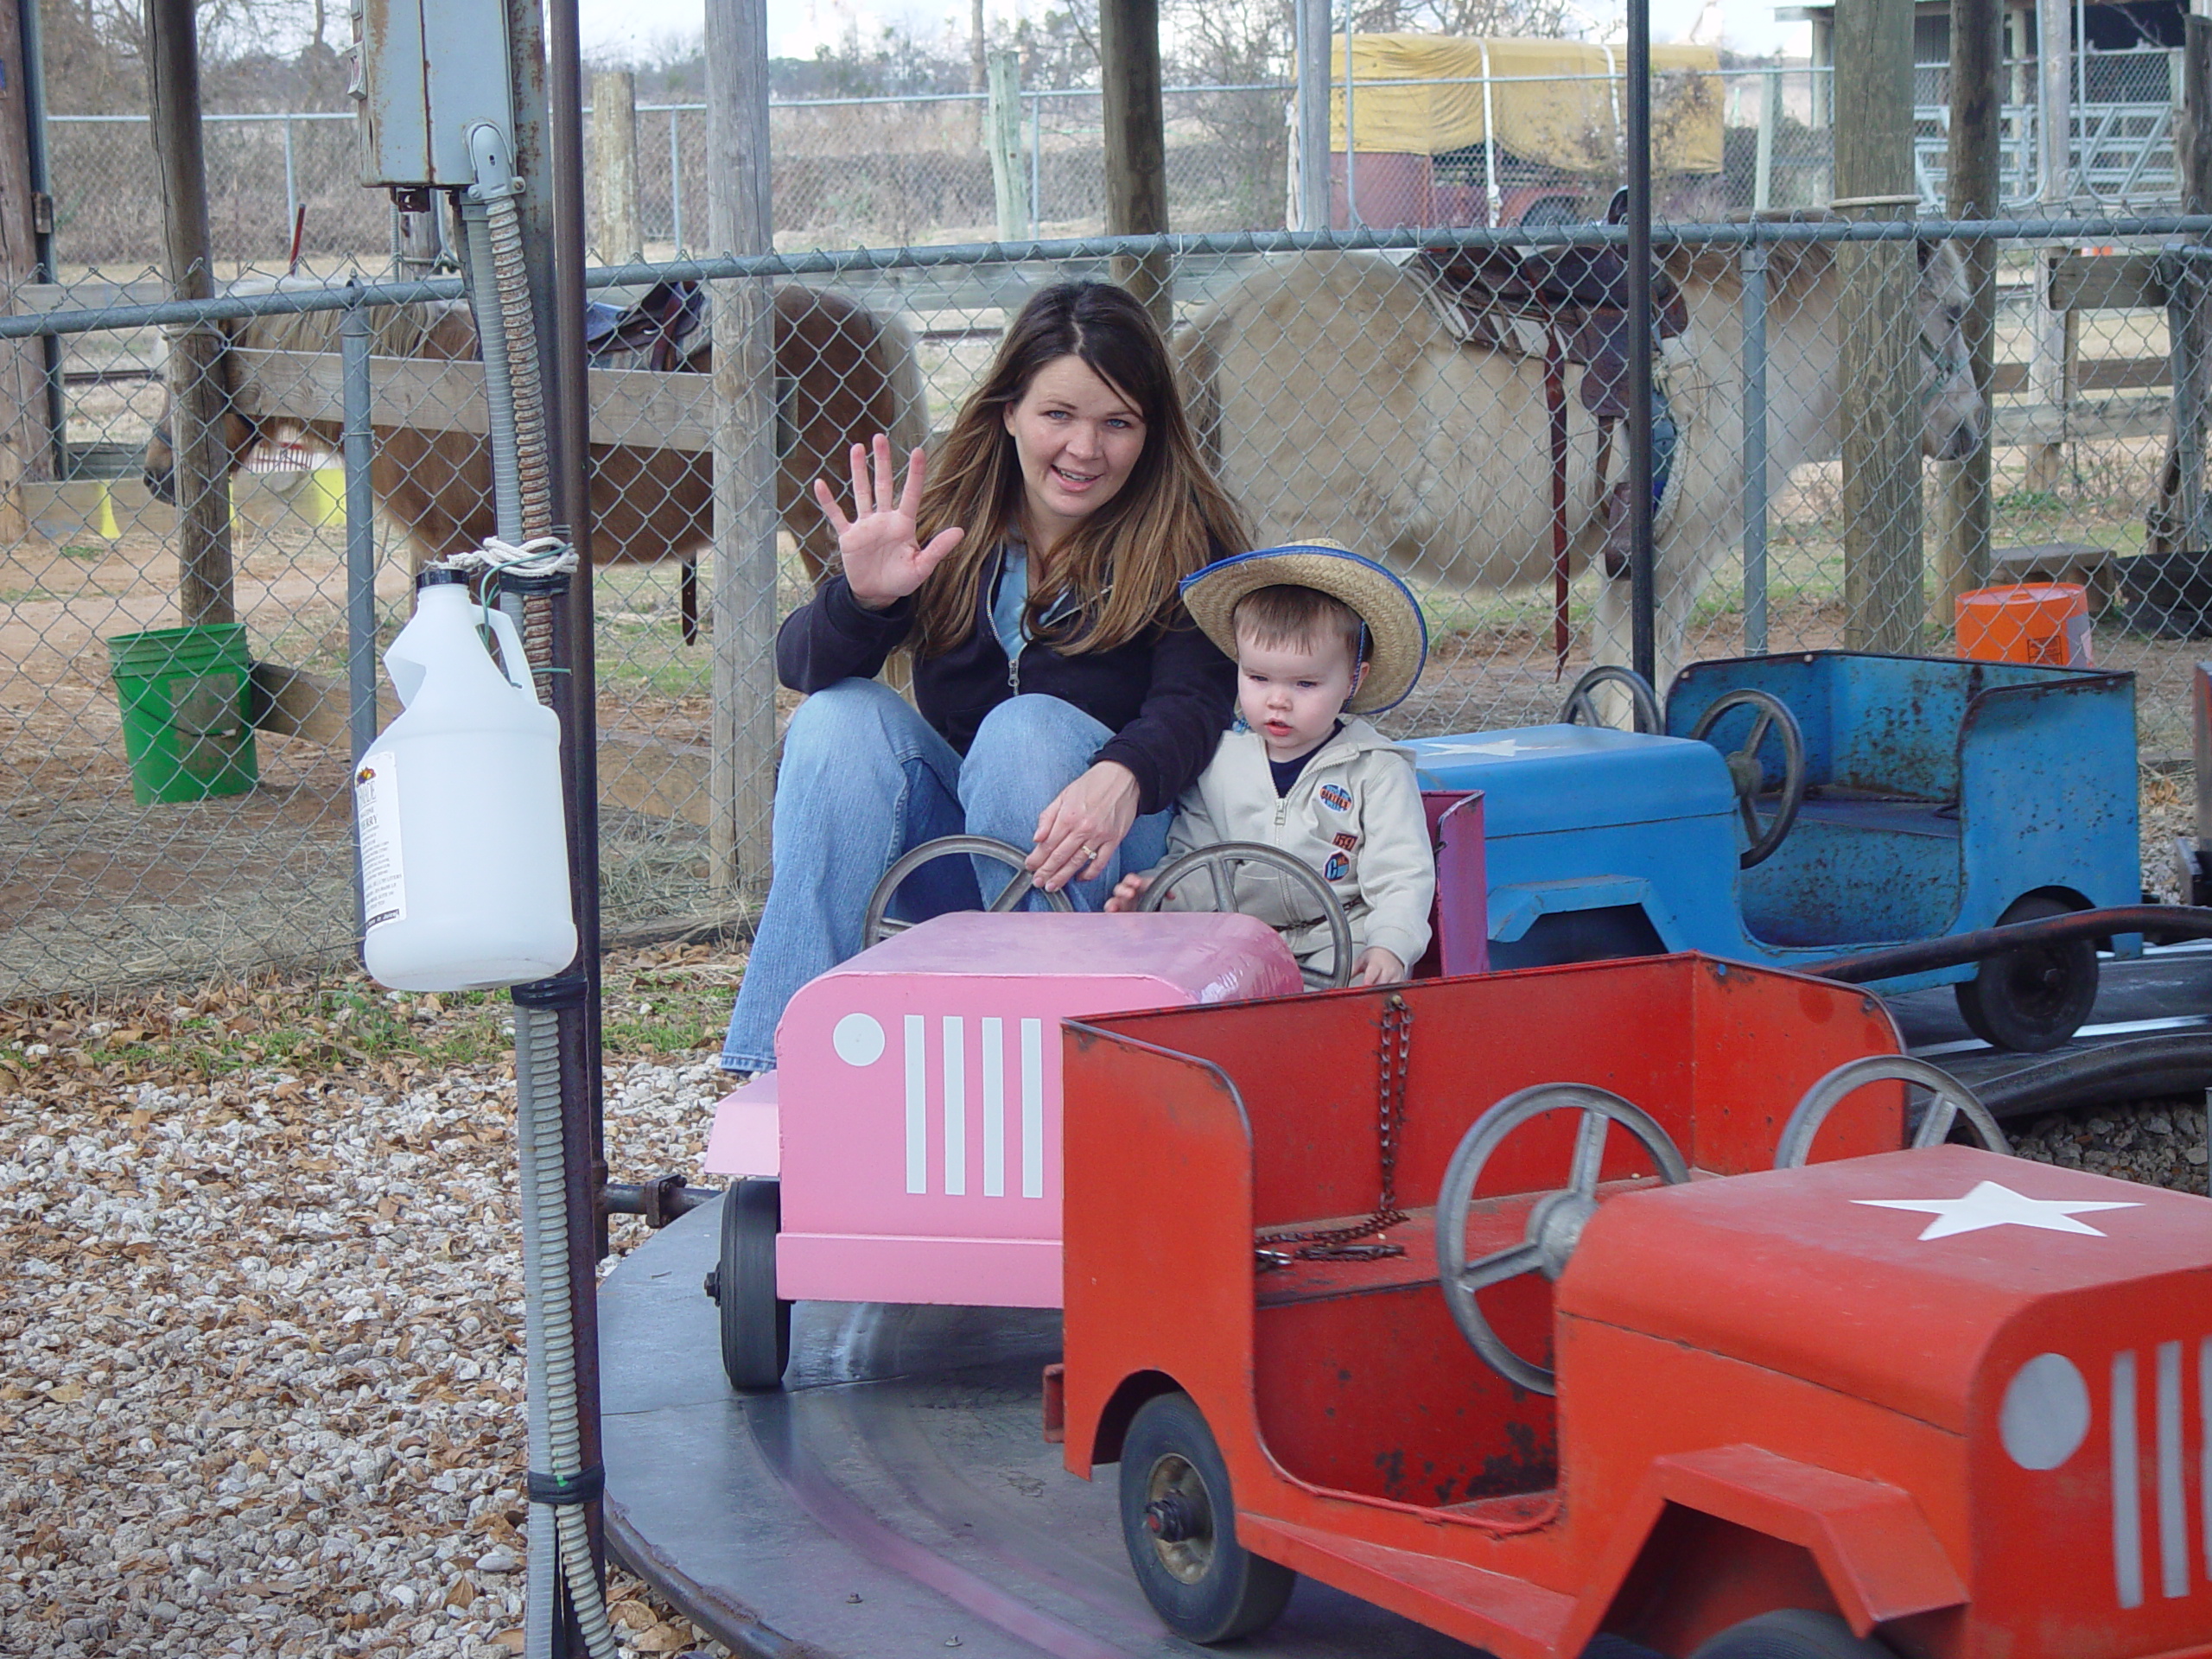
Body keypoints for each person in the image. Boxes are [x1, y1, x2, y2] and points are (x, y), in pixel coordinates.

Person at [719, 281, 1250, 1077]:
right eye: (1058, 415)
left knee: (1024, 728)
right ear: (1009, 410)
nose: (1084, 449)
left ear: (1151, 431)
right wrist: (863, 597)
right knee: (838, 718)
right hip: (962, 857)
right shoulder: (949, 518)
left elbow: (1196, 700)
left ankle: (1050, 1059)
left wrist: (1124, 774)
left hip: (1111, 865)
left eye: (1117, 423)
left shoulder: (1184, 532)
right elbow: (803, 666)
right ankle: (787, 1074)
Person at [1105, 541, 1434, 988]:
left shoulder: (1375, 769)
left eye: (1305, 683)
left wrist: (1390, 943)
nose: (1277, 700)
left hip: (1342, 935)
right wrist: (1161, 893)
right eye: (1258, 678)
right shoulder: (1220, 765)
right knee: (1194, 990)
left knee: (1363, 992)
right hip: (1244, 940)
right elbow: (1199, 857)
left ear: (1354, 679)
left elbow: (1401, 872)